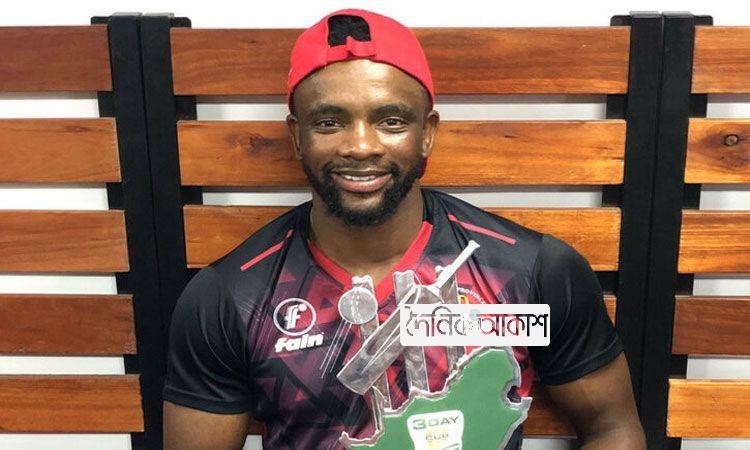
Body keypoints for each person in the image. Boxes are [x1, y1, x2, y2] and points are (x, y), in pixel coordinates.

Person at [162, 8, 645, 450]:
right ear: (297, 137)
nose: (360, 146)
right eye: (329, 122)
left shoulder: (531, 271)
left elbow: (612, 428)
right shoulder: (229, 298)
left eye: (391, 121)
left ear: (427, 132)